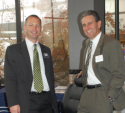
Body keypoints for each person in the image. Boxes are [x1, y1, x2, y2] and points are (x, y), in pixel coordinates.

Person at [4, 15, 58, 113]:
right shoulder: (13, 50)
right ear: (25, 27)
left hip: (47, 102)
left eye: (37, 26)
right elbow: (10, 79)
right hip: (26, 102)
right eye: (31, 25)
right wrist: (12, 103)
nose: (34, 28)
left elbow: (50, 77)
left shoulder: (46, 50)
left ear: (41, 28)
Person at [77, 10, 125, 113]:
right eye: (84, 25)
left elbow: (119, 74)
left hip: (103, 94)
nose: (87, 28)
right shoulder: (86, 44)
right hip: (86, 94)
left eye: (90, 23)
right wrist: (85, 72)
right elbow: (96, 66)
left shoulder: (111, 44)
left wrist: (110, 96)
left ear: (99, 24)